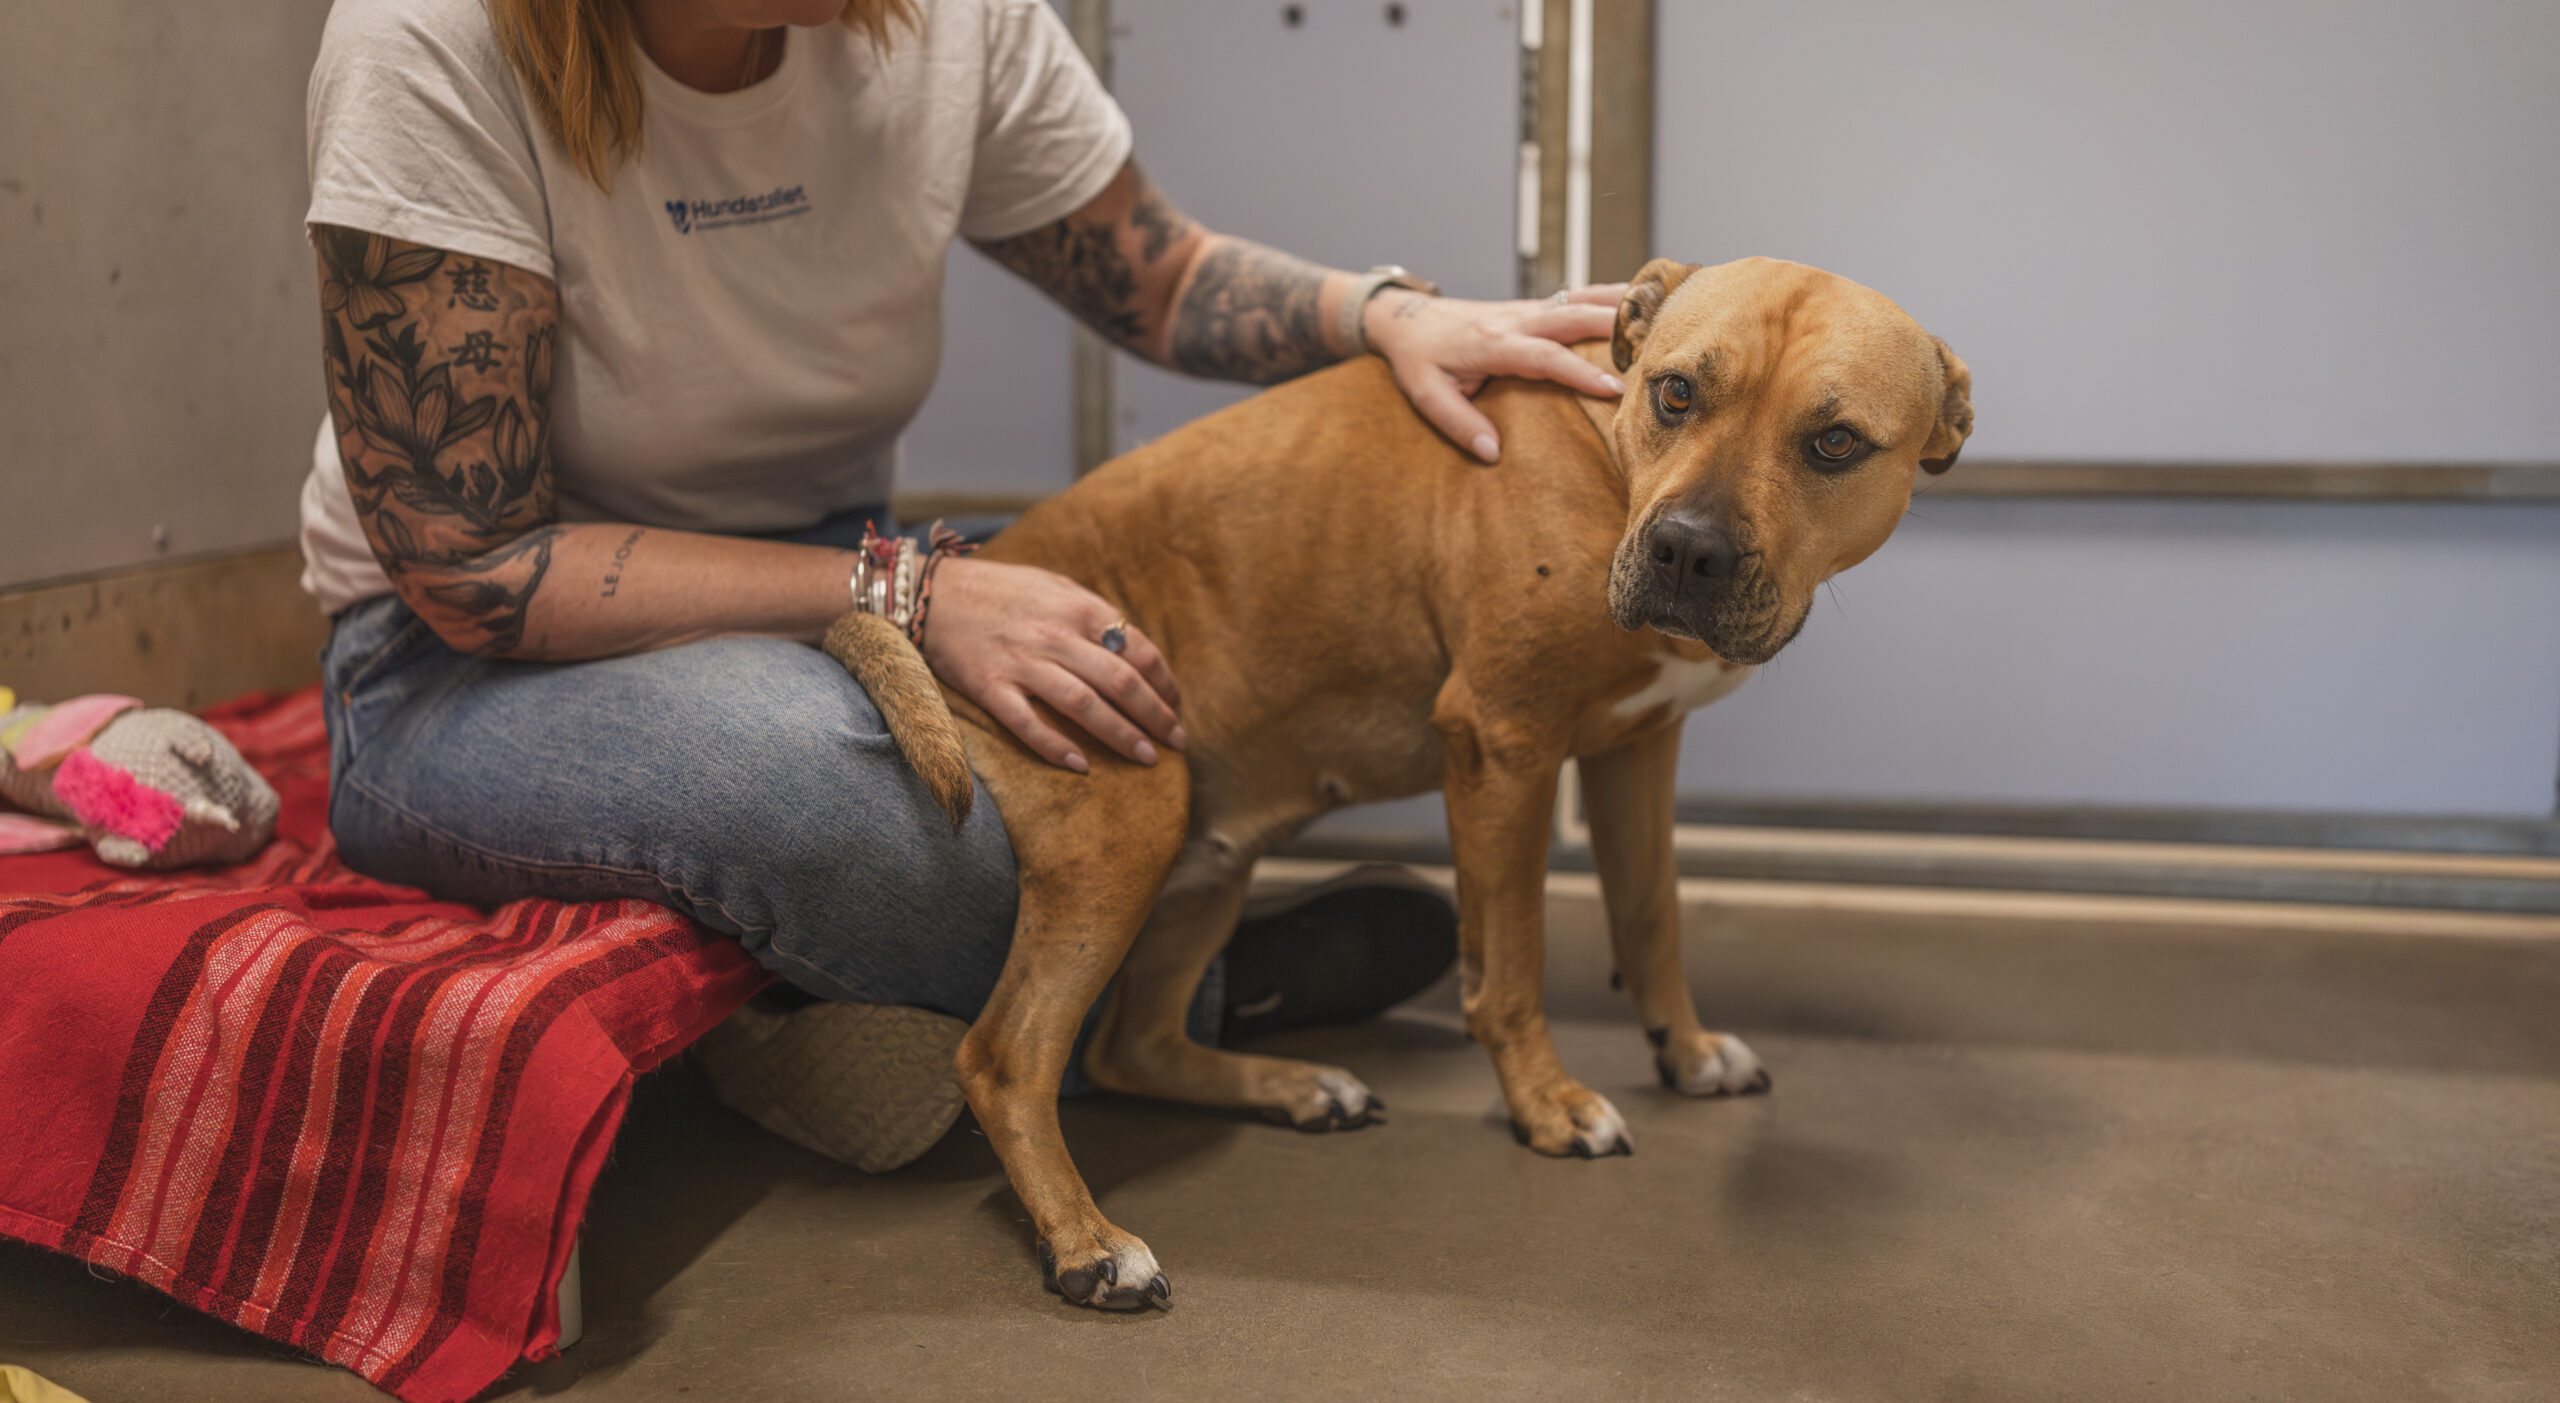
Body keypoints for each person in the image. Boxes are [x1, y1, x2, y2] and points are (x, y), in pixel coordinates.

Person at [300, 0, 1628, 1159]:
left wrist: (1387, 314)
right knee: (841, 796)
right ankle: (1186, 1004)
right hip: (465, 664)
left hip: (835, 574)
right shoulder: (431, 40)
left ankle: (875, 999)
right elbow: (473, 568)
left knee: (1158, 625)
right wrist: (909, 594)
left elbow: (1158, 275)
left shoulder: (948, 23)